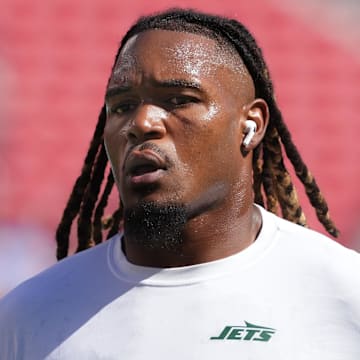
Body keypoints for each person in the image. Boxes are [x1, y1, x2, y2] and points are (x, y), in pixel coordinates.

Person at [0, 8, 359, 359]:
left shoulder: (344, 295)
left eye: (179, 100)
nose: (142, 123)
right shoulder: (29, 314)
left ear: (251, 126)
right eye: (122, 106)